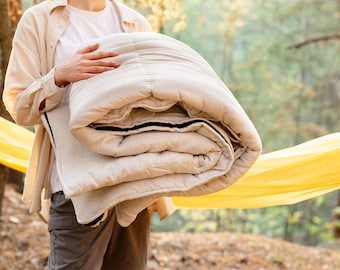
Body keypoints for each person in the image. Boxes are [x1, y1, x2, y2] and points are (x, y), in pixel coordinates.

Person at [3, 0, 174, 269]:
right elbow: (19, 107)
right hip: (76, 186)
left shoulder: (135, 22)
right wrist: (59, 76)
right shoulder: (38, 20)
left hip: (133, 183)